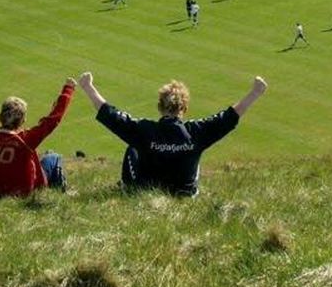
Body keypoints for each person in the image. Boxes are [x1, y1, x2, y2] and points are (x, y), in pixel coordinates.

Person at [76, 71, 268, 196]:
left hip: (147, 190)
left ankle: (127, 189)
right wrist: (255, 93)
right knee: (197, 154)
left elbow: (112, 116)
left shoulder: (145, 130)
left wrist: (88, 87)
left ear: (160, 107)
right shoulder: (196, 132)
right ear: (184, 107)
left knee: (132, 149)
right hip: (185, 193)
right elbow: (228, 117)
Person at [0, 70, 75, 197]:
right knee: (53, 157)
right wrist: (68, 90)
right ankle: (61, 194)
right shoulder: (26, 140)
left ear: (0, 117)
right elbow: (53, 119)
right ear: (23, 121)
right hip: (23, 193)